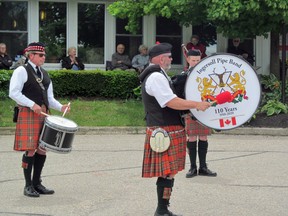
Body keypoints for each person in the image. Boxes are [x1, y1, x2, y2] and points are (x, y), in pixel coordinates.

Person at [139, 43, 211, 216]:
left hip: (168, 128)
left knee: (169, 172)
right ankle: (161, 210)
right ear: (160, 58)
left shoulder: (159, 74)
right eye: (169, 56)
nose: (172, 59)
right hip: (164, 129)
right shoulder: (155, 77)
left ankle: (163, 208)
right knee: (166, 172)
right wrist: (196, 105)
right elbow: (170, 102)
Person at [9, 42, 70, 198]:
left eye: (44, 55)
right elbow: (13, 93)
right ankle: (28, 185)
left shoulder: (44, 74)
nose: (44, 57)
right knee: (30, 149)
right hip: (29, 113)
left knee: (42, 148)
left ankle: (37, 183)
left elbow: (49, 98)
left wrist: (61, 107)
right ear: (31, 56)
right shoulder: (21, 71)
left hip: (44, 113)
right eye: (41, 55)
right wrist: (32, 104)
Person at [184, 49, 217, 178]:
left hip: (204, 109)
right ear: (188, 60)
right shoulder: (185, 74)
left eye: (198, 60)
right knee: (192, 137)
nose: (196, 63)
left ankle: (203, 167)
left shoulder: (206, 74)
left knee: (203, 137)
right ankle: (192, 167)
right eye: (193, 60)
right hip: (191, 109)